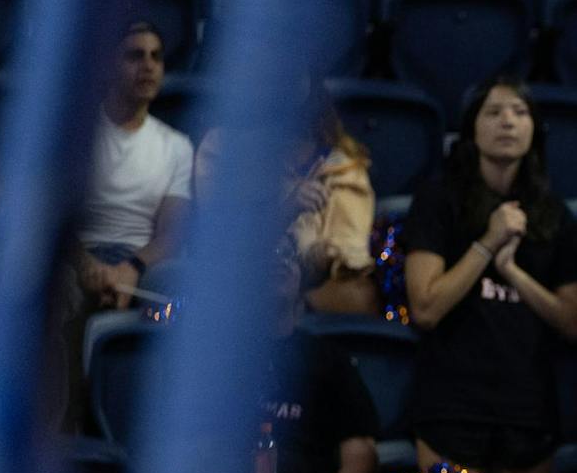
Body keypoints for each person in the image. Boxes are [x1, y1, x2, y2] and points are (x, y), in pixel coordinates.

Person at [402, 78, 577, 473]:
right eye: (494, 112)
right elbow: (425, 306)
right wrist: (487, 243)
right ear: (470, 131)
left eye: (519, 113)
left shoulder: (553, 216)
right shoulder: (439, 202)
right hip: (451, 407)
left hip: (527, 408)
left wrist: (513, 272)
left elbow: (573, 321)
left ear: (534, 131)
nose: (507, 122)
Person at [197, 78, 379, 316]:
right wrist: (287, 209)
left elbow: (348, 255)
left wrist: (321, 257)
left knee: (359, 296)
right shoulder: (226, 150)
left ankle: (290, 314)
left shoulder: (343, 169)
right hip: (242, 273)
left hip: (311, 289)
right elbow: (221, 242)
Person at [75, 20, 194, 312]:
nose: (148, 66)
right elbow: (52, 218)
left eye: (156, 57)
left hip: (141, 264)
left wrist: (131, 268)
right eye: (135, 56)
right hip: (79, 259)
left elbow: (171, 233)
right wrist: (88, 266)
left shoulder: (177, 146)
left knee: (176, 294)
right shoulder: (77, 136)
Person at [257, 238, 380, 473]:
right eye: (270, 254)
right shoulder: (224, 359)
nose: (281, 260)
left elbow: (361, 454)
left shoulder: (329, 358)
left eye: (289, 256)